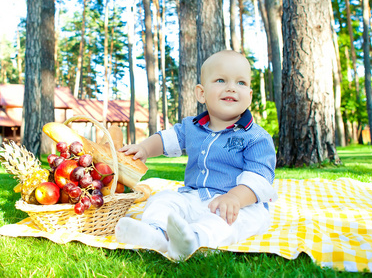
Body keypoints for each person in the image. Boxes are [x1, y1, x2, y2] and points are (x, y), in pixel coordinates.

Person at [115, 50, 277, 260]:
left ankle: (193, 240)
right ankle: (157, 233)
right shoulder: (191, 127)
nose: (231, 88)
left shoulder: (255, 137)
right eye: (221, 80)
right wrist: (145, 148)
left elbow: (259, 179)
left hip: (238, 205)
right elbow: (167, 139)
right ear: (201, 93)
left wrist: (234, 198)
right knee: (163, 198)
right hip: (193, 197)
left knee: (230, 223)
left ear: (250, 95)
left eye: (241, 83)